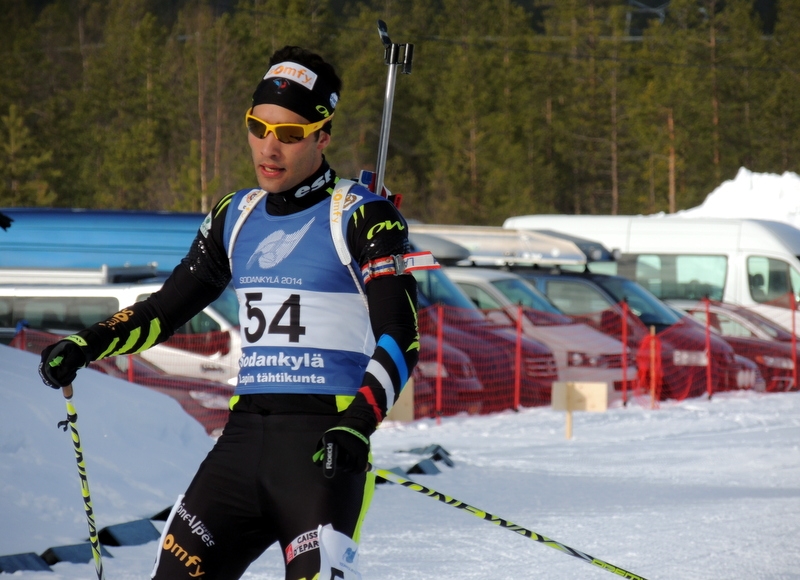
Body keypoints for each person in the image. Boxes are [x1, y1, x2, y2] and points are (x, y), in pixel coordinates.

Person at [39, 45, 434, 580]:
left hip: (324, 446)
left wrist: (358, 425)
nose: (269, 148)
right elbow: (163, 311)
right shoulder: (235, 214)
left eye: (290, 133)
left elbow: (400, 335)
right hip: (242, 444)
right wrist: (86, 344)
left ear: (322, 136)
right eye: (258, 127)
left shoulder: (362, 215)